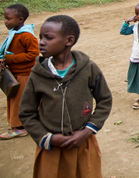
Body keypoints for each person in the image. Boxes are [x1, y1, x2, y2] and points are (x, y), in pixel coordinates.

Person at [19, 15, 112, 178]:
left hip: (83, 143)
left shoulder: (88, 68)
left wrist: (88, 130)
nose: (41, 42)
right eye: (41, 37)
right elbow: (27, 113)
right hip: (51, 148)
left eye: (48, 38)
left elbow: (105, 100)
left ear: (69, 40)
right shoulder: (37, 74)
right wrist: (47, 138)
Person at [0, 4, 39, 140]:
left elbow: (34, 53)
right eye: (5, 18)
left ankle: (20, 128)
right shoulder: (14, 34)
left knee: (18, 102)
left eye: (8, 19)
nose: (5, 21)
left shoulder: (26, 36)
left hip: (24, 74)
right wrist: (4, 60)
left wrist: (11, 58)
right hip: (15, 73)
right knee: (15, 99)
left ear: (20, 19)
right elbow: (10, 52)